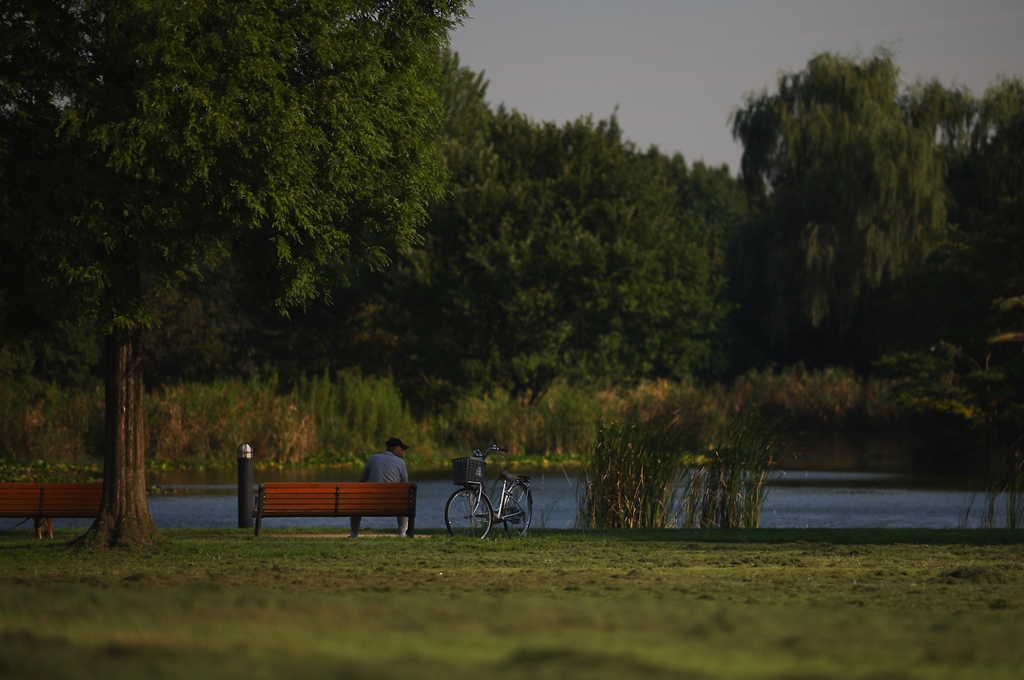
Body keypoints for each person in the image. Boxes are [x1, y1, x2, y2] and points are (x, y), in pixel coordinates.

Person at [349, 437, 410, 537]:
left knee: (356, 504)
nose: (402, 453)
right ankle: (402, 533)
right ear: (394, 449)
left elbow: (361, 482)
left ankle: (354, 533)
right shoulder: (401, 462)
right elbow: (405, 485)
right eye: (401, 449)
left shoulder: (373, 458)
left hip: (371, 503)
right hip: (394, 505)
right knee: (404, 501)